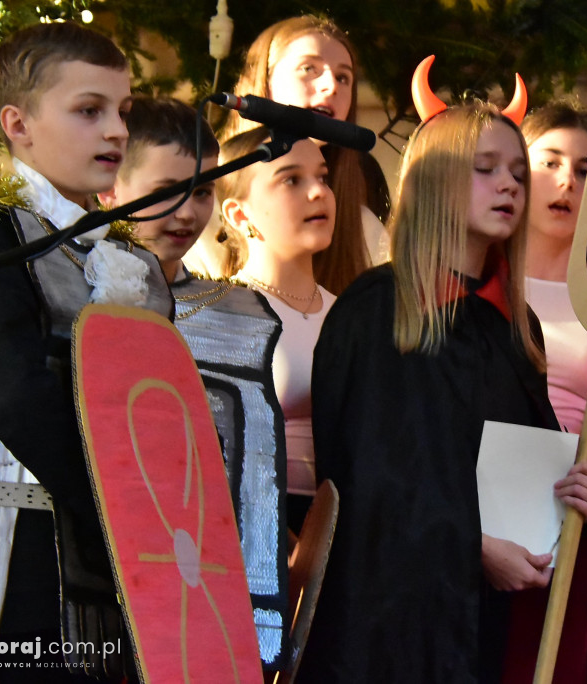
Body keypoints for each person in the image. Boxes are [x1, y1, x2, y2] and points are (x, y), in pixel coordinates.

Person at [296, 75, 587, 682]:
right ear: (434, 176)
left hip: (489, 628)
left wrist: (573, 492)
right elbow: (372, 486)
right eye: (485, 168)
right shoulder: (377, 310)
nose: (510, 185)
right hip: (388, 632)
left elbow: (522, 474)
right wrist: (472, 545)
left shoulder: (514, 329)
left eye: (518, 172)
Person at [0, 21, 174, 681]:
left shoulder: (114, 251)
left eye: (123, 113)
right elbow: (17, 396)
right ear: (18, 124)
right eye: (89, 110)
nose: (117, 132)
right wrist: (131, 515)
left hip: (113, 558)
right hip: (14, 551)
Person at [99, 95, 290, 674]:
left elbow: (255, 468)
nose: (186, 212)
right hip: (101, 567)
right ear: (109, 187)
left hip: (203, 576)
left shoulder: (241, 313)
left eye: (203, 191)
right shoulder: (76, 290)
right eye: (165, 191)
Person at [494, 99, 587, 684]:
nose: (567, 182)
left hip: (569, 518)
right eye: (548, 162)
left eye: (585, 169)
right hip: (472, 513)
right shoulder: (477, 278)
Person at [187, 14, 389, 293]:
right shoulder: (201, 208)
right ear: (264, 82)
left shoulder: (364, 230)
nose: (331, 86)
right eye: (309, 68)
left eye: (344, 77)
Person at [214, 126, 336, 535]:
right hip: (253, 528)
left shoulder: (349, 313)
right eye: (291, 180)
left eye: (322, 177)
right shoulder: (224, 311)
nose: (318, 192)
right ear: (239, 213)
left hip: (343, 528)